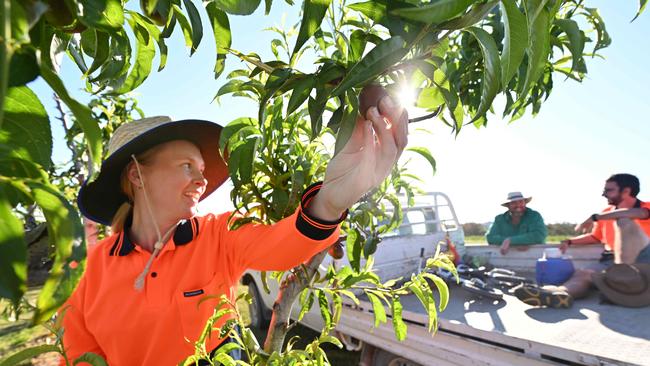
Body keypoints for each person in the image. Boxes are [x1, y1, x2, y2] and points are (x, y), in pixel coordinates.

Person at [59, 93, 408, 365]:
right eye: (186, 166)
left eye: (201, 167)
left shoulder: (217, 235)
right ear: (137, 175)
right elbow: (79, 359)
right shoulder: (86, 273)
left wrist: (330, 204)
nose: (202, 179)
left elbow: (283, 244)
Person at [514, 173, 650, 308]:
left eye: (609, 190)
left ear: (626, 191)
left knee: (624, 221)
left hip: (644, 259)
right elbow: (595, 237)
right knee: (583, 274)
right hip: (612, 260)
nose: (604, 194)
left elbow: (641, 213)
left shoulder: (644, 207)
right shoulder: (606, 212)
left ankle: (625, 278)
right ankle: (559, 294)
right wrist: (569, 242)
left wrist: (595, 217)